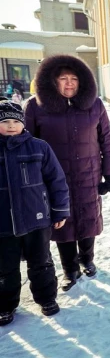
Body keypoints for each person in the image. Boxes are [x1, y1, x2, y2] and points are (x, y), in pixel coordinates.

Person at [23, 55, 110, 292]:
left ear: (82, 81)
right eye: (63, 79)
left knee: (88, 218)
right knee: (61, 223)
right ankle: (69, 269)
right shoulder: (35, 106)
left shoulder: (94, 104)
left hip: (88, 174)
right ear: (51, 81)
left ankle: (87, 259)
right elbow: (26, 144)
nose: (69, 84)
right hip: (53, 179)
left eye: (74, 79)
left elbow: (106, 139)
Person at [0, 101, 70, 325]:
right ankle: (5, 305)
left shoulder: (39, 147)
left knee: (41, 262)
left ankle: (46, 298)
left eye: (15, 121)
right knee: (4, 267)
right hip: (3, 223)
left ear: (23, 123)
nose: (11, 126)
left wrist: (59, 211)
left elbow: (57, 181)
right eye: (4, 122)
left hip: (36, 219)